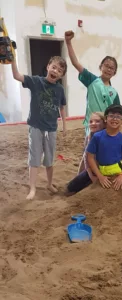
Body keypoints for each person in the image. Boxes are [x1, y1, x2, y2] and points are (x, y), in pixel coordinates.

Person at [11, 55, 67, 200]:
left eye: (60, 70)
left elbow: (62, 108)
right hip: (36, 126)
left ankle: (49, 183)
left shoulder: (60, 89)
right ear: (48, 66)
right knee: (34, 157)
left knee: (50, 159)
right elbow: (16, 75)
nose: (55, 71)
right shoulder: (36, 81)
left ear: (61, 75)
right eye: (54, 67)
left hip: (52, 128)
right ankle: (33, 188)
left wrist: (65, 125)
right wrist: (12, 60)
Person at [65, 30, 120, 173]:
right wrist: (68, 42)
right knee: (87, 154)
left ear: (114, 72)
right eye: (106, 66)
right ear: (100, 67)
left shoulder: (114, 93)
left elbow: (117, 114)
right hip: (92, 126)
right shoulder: (92, 80)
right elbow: (75, 63)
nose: (108, 69)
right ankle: (79, 180)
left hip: (105, 129)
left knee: (102, 157)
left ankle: (96, 182)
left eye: (112, 68)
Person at [87, 104, 122, 191]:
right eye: (111, 116)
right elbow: (90, 157)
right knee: (73, 187)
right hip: (99, 171)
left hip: (117, 173)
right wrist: (99, 176)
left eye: (118, 117)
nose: (114, 119)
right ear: (105, 118)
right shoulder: (97, 137)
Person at [65, 112, 105, 196]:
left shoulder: (107, 138)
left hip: (104, 171)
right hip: (92, 170)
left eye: (97, 121)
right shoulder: (89, 137)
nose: (93, 124)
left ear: (104, 123)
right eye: (91, 122)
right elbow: (85, 159)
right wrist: (88, 174)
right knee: (70, 188)